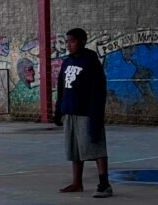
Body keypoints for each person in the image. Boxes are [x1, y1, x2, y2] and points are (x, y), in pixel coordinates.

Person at [54, 28, 112, 198]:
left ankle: (104, 184)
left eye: (72, 41)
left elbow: (98, 90)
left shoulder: (91, 61)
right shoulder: (67, 62)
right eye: (67, 41)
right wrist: (59, 109)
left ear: (82, 41)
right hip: (70, 112)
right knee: (74, 150)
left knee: (95, 146)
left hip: (87, 112)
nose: (68, 45)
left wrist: (96, 113)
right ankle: (77, 183)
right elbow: (61, 88)